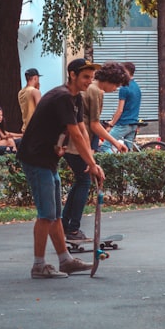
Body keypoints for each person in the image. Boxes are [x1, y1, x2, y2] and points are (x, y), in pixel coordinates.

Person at [16, 58, 105, 278]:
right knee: (46, 215)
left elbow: (82, 130)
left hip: (48, 158)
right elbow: (74, 133)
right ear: (72, 75)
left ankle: (65, 261)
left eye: (91, 78)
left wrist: (90, 161)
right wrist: (91, 165)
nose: (89, 81)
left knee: (55, 214)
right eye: (85, 77)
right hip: (36, 158)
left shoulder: (75, 98)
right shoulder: (63, 97)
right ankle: (39, 265)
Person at [62, 62, 130, 240]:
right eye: (115, 85)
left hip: (77, 143)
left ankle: (65, 225)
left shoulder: (92, 90)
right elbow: (94, 125)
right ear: (108, 80)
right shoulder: (94, 91)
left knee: (80, 182)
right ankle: (73, 229)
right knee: (84, 182)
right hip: (76, 144)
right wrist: (115, 142)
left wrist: (94, 148)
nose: (115, 89)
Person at [99, 62, 141, 153]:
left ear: (126, 72)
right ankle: (126, 167)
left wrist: (111, 124)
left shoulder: (124, 88)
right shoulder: (137, 87)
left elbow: (120, 110)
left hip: (123, 124)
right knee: (127, 151)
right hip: (133, 123)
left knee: (104, 147)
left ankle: (115, 166)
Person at [17, 68, 42, 132]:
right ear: (35, 78)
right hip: (35, 128)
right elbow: (40, 110)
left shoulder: (21, 92)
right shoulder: (35, 91)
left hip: (25, 127)